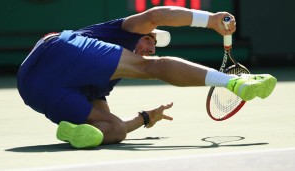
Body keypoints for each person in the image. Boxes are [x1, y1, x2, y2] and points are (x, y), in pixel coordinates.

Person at [17, 6, 277, 148]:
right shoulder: (123, 31)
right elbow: (157, 15)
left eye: (154, 46)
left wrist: (144, 118)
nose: (150, 48)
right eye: (149, 39)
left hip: (33, 89)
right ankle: (234, 83)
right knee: (149, 67)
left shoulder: (102, 81)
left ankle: (74, 134)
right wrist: (209, 19)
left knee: (115, 130)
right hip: (57, 50)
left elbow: (117, 125)